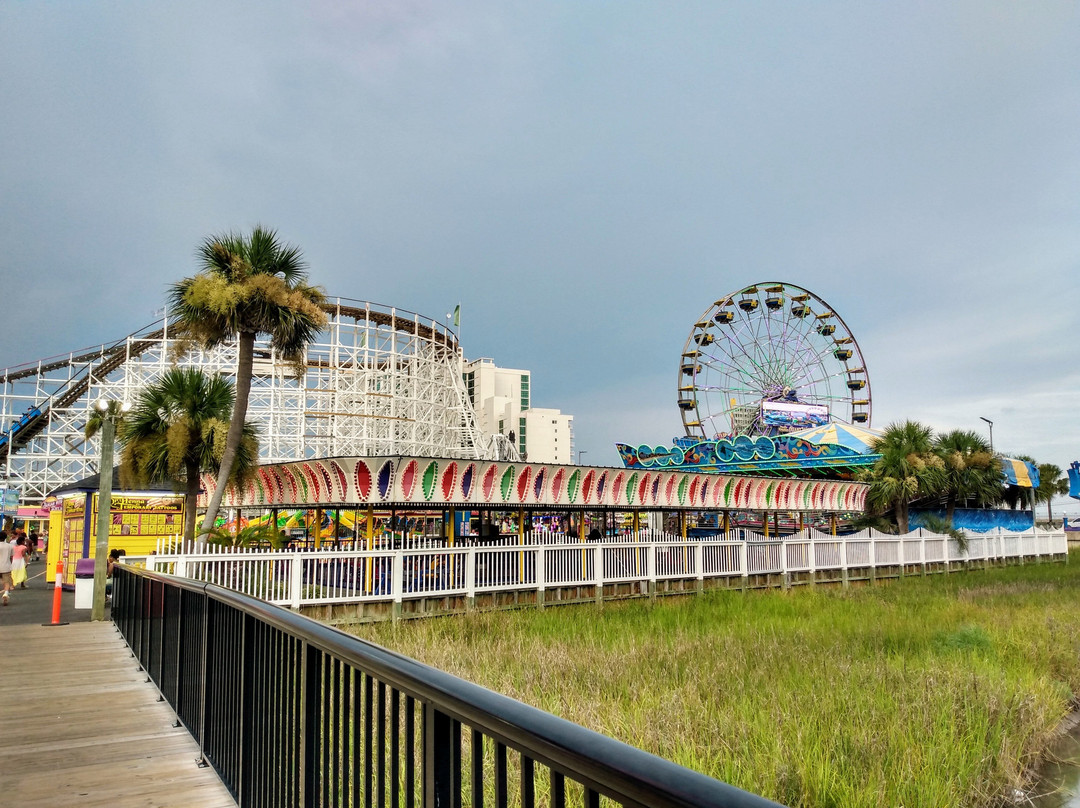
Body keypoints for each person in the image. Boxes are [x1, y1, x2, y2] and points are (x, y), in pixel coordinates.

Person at [0, 534, 13, 605]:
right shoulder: (9, 546)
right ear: (5, 537)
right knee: (7, 582)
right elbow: (11, 556)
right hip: (6, 566)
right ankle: (5, 594)